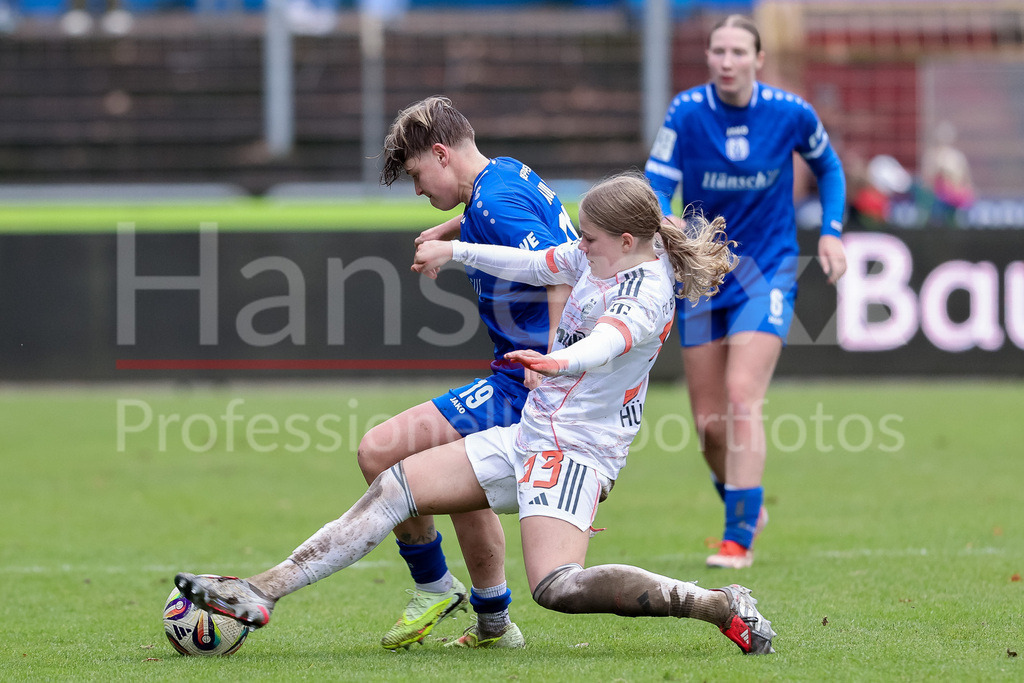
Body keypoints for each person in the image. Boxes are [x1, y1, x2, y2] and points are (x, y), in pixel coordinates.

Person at [173, 173, 777, 656]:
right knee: (395, 485)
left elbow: (608, 343)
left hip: (576, 454)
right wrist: (455, 249)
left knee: (557, 587)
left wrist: (558, 361)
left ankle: (717, 604)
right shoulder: (602, 259)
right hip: (531, 433)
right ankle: (259, 591)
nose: (578, 244)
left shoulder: (643, 292)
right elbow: (534, 264)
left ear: (625, 241)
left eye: (588, 237)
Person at [359, 96, 577, 650]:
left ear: (439, 153)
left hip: (523, 381)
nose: (417, 191)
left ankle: (433, 586)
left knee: (380, 451)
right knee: (459, 487)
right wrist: (449, 236)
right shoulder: (500, 177)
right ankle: (494, 623)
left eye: (416, 175)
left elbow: (562, 270)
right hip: (522, 373)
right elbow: (499, 220)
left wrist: (551, 360)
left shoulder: (497, 199)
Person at [644, 14, 848, 569]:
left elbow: (829, 168)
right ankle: (744, 501)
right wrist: (667, 224)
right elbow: (657, 183)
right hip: (703, 277)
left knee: (741, 398)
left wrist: (830, 234)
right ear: (708, 58)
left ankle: (738, 538)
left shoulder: (790, 112)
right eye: (718, 51)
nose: (727, 61)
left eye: (738, 52)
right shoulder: (686, 114)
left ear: (759, 60)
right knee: (708, 424)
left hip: (769, 272)